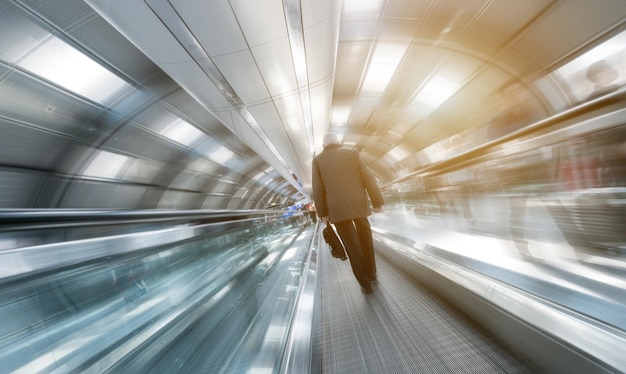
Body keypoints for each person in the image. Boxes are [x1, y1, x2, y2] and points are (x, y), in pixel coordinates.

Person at [312, 133, 384, 294]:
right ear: (338, 142)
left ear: (324, 146)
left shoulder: (317, 160)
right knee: (365, 237)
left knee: (352, 245)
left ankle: (364, 283)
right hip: (358, 203)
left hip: (337, 208)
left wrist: (322, 212)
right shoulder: (352, 152)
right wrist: (377, 200)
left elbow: (318, 188)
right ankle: (372, 273)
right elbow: (368, 177)